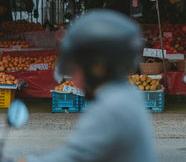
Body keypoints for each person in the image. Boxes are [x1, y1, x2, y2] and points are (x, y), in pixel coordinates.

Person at [19, 9, 158, 162]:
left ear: (97, 67)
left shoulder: (110, 108)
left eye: (76, 65)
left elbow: (72, 158)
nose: (72, 73)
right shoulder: (127, 94)